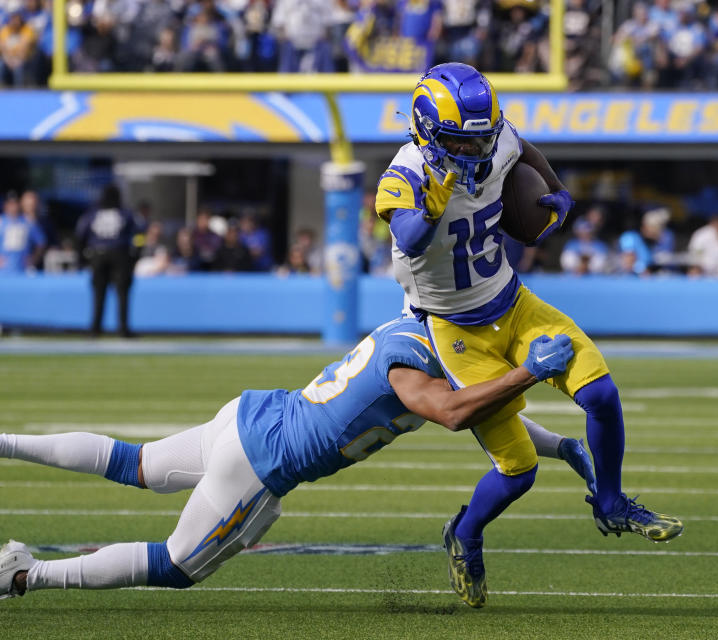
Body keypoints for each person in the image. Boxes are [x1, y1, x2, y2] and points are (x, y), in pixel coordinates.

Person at [375, 62, 682, 609]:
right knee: (518, 472)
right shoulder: (405, 175)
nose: (473, 154)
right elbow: (409, 238)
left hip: (514, 303)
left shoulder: (493, 139)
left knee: (602, 395)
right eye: (458, 144)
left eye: (480, 141)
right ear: (424, 130)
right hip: (457, 330)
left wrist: (558, 189)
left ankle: (610, 501)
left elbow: (522, 148)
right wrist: (431, 206)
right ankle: (465, 533)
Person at [0, 318, 587, 602]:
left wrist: (560, 445)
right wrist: (529, 370)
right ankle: (25, 575)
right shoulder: (421, 366)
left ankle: (7, 442)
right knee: (177, 567)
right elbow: (458, 411)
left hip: (256, 413)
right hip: (263, 461)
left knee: (139, 463)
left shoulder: (419, 331)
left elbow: (481, 411)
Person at [75, 185, 143, 338]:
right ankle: (123, 329)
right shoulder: (125, 213)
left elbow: (80, 235)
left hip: (97, 255)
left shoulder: (93, 214)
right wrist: (136, 254)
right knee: (123, 294)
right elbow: (139, 234)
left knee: (99, 294)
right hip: (120, 254)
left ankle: (95, 329)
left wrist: (82, 257)